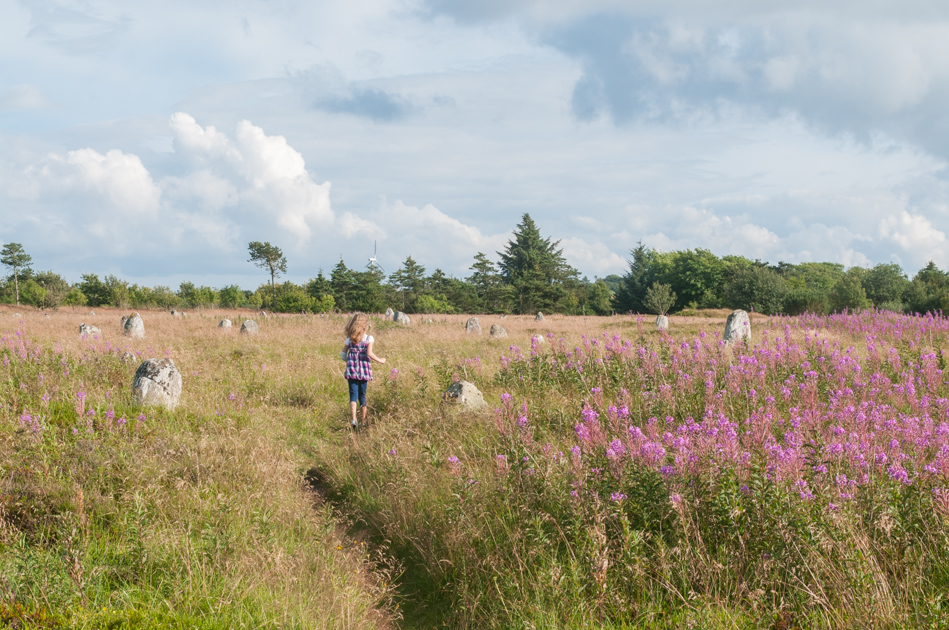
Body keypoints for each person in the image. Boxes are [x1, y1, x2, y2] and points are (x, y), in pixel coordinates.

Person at [342, 313, 386, 428]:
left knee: (353, 395)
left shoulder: (349, 339)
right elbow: (369, 353)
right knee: (362, 395)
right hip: (363, 371)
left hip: (351, 371)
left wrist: (349, 361)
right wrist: (380, 360)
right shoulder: (368, 338)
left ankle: (353, 419)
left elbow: (342, 354)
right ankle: (363, 421)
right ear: (364, 326)